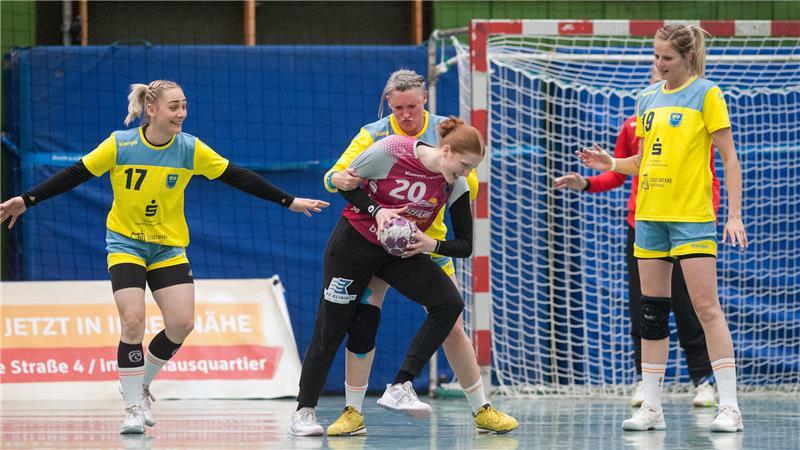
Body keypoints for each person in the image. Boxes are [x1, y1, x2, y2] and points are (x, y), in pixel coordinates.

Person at [0, 80, 329, 434]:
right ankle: (131, 407)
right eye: (174, 107)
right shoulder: (120, 144)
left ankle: (141, 385)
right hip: (126, 243)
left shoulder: (190, 149)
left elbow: (238, 176)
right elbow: (75, 173)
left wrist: (288, 200)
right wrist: (27, 199)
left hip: (168, 247)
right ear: (151, 110)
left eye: (184, 106)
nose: (181, 113)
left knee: (181, 323)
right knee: (132, 321)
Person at [322, 70, 517, 435]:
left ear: (424, 98)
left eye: (412, 106)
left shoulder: (448, 134)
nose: (406, 114)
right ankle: (352, 412)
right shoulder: (376, 134)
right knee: (365, 318)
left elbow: (464, 184)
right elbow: (337, 177)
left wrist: (430, 228)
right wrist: (338, 180)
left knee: (453, 325)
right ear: (388, 104)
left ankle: (482, 409)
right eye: (398, 108)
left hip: (429, 243)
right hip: (379, 240)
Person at [576, 25, 746, 433]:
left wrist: (734, 215)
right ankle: (651, 407)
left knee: (706, 308)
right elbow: (643, 161)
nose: (659, 64)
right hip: (649, 218)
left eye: (666, 57)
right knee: (652, 312)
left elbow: (729, 158)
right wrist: (611, 165)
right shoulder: (646, 98)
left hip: (691, 217)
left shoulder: (708, 94)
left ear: (686, 57)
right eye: (655, 56)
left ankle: (729, 406)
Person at [555, 67, 719, 409]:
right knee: (645, 308)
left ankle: (704, 381)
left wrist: (709, 215)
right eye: (654, 70)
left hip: (686, 224)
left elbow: (709, 173)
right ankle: (646, 383)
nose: (659, 74)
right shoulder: (634, 124)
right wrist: (586, 182)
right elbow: (619, 170)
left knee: (690, 306)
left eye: (666, 65)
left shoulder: (695, 116)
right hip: (643, 224)